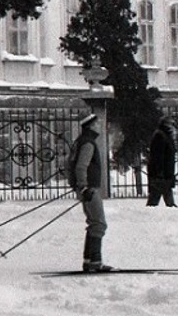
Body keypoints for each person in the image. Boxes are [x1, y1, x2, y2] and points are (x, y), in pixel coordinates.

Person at [71, 114, 112, 272]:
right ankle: (95, 261)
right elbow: (81, 166)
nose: (99, 125)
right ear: (90, 125)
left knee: (94, 223)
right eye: (97, 123)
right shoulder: (88, 143)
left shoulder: (81, 141)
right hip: (90, 189)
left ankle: (89, 260)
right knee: (99, 224)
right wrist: (83, 187)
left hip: (87, 189)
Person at [146, 117, 178, 207]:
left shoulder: (164, 135)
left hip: (163, 173)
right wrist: (159, 172)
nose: (173, 127)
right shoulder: (160, 136)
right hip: (161, 173)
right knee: (158, 195)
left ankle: (171, 207)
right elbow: (157, 156)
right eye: (171, 124)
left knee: (158, 195)